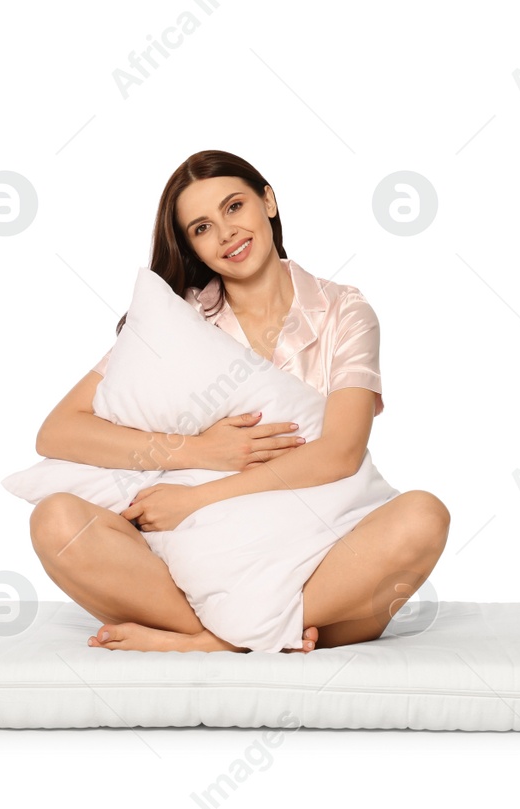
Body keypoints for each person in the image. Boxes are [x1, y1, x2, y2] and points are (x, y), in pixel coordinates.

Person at [30, 150, 450, 653]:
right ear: (192, 247)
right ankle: (251, 634)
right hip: (203, 558)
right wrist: (199, 451)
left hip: (323, 555)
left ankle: (211, 643)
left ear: (268, 201)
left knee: (424, 516)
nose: (226, 233)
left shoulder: (345, 312)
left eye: (234, 207)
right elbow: (57, 432)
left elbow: (341, 452)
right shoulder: (177, 320)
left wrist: (196, 498)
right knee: (55, 521)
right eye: (202, 228)